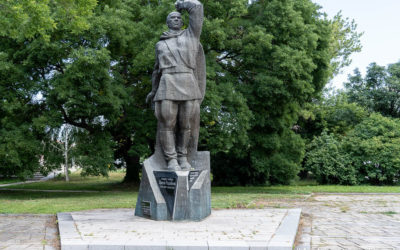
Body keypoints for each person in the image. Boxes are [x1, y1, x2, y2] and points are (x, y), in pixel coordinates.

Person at [146, 0, 205, 170]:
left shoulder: (191, 36)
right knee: (167, 123)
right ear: (167, 22)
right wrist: (153, 90)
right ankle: (171, 159)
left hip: (188, 81)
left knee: (186, 124)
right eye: (172, 17)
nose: (176, 19)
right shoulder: (160, 44)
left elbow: (197, 8)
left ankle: (183, 157)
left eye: (179, 17)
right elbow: (156, 70)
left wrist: (182, 4)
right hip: (167, 82)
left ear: (183, 21)